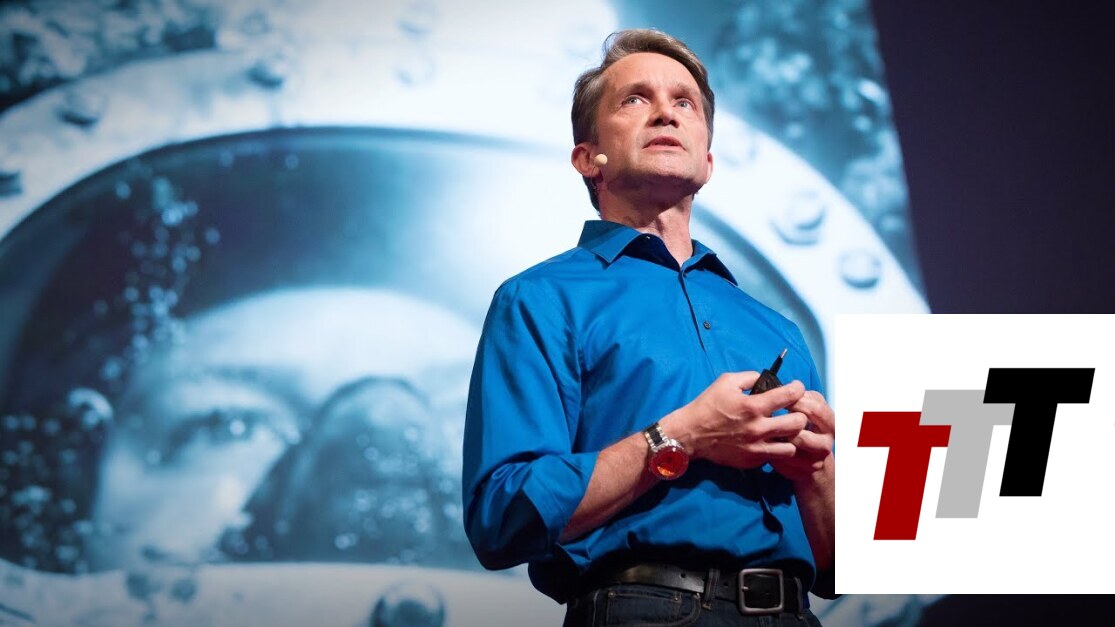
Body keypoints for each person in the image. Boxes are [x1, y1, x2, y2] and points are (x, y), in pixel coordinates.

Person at [462, 29, 836, 625]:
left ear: (707, 160)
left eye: (685, 102)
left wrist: (816, 473)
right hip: (642, 610)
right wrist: (681, 436)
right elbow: (502, 517)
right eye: (635, 99)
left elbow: (840, 569)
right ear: (588, 157)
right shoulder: (540, 298)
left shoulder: (779, 330)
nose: (666, 111)